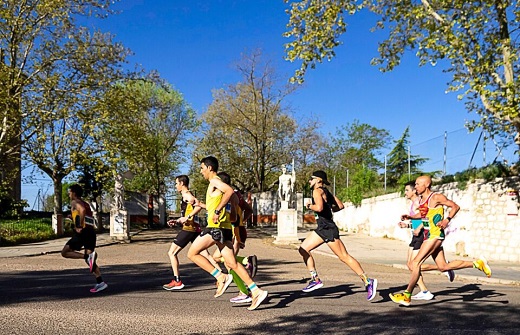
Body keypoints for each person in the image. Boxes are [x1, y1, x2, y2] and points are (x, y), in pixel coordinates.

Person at [390, 175, 492, 306]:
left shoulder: (436, 197)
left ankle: (407, 295)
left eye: (417, 184)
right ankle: (477, 264)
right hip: (429, 235)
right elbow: (424, 215)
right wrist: (411, 217)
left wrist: (447, 220)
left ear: (426, 184)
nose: (415, 187)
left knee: (414, 263)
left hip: (435, 234)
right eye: (415, 185)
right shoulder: (421, 200)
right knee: (443, 267)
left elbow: (455, 206)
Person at [187, 156, 268, 311]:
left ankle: (220, 276)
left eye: (202, 167)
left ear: (209, 168)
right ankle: (256, 291)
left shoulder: (214, 181)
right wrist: (206, 206)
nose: (201, 171)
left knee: (192, 253)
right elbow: (224, 201)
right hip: (223, 229)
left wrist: (217, 211)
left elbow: (229, 191)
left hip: (215, 228)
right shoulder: (216, 186)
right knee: (231, 263)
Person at [299, 170, 378, 301]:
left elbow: (318, 208)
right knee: (303, 249)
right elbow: (340, 206)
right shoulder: (326, 192)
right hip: (323, 228)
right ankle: (315, 279)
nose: (309, 181)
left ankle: (368, 281)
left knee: (344, 257)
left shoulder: (317, 191)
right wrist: (328, 208)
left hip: (328, 228)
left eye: (311, 178)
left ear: (318, 180)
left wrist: (309, 205)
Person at [163, 175, 207, 290]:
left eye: (176, 183)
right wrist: (178, 220)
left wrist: (187, 217)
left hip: (189, 229)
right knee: (205, 253)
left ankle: (177, 281)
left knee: (172, 253)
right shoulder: (186, 195)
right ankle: (221, 276)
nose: (175, 186)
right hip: (192, 228)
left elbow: (198, 206)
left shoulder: (187, 195)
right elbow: (189, 212)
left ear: (182, 183)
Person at [61, 184, 107, 293]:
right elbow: (86, 215)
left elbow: (81, 211)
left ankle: (87, 256)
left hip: (82, 232)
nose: (69, 194)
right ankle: (100, 282)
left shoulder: (75, 202)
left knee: (65, 252)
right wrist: (72, 217)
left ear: (74, 193)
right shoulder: (86, 203)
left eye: (70, 192)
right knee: (90, 261)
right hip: (91, 232)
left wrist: (78, 226)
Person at [397, 181, 435, 300]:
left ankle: (443, 268)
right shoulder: (413, 203)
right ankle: (424, 291)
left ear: (414, 191)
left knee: (414, 264)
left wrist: (419, 228)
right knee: (409, 264)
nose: (405, 193)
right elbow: (416, 220)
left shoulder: (419, 201)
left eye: (407, 190)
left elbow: (427, 216)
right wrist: (407, 226)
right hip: (415, 235)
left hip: (421, 235)